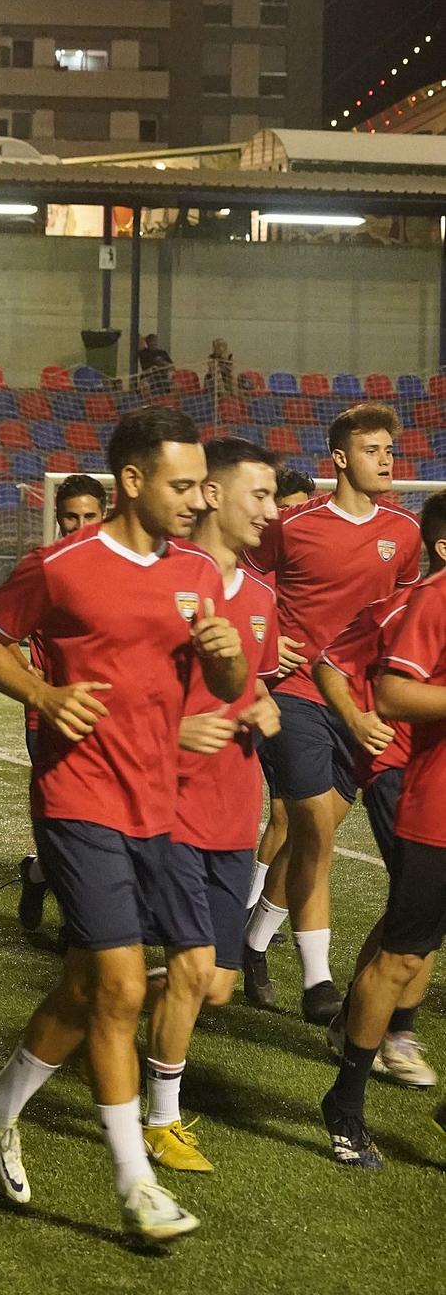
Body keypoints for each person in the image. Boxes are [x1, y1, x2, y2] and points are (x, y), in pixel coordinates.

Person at [0, 405, 246, 1245]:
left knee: (92, 987)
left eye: (201, 484)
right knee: (121, 987)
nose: (198, 498)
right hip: (77, 799)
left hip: (159, 806)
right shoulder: (64, 565)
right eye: (182, 483)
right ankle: (134, 1182)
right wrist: (43, 696)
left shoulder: (197, 570)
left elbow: (224, 684)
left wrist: (225, 653)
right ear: (132, 481)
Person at [241, 406, 418, 1021]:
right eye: (373, 449)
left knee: (313, 836)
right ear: (339, 458)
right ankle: (318, 983)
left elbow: (405, 614)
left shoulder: (406, 531)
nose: (388, 459)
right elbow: (238, 573)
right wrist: (263, 641)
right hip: (295, 691)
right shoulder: (294, 525)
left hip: (358, 701)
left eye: (390, 448)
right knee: (313, 822)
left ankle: (254, 940)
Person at [144, 439, 280, 1174]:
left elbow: (249, 681)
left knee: (215, 987)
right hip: (167, 810)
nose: (270, 510)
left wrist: (262, 704)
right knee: (194, 970)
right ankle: (159, 1119)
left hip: (234, 813)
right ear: (214, 496)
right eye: (258, 496)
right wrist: (170, 732)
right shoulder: (162, 579)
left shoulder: (260, 596)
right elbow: (124, 690)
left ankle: (104, 997)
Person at [313, 492, 446, 1091]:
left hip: (430, 772)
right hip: (401, 768)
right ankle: (391, 1035)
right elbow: (331, 662)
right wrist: (354, 715)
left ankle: (368, 1021)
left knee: (416, 911)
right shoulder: (404, 607)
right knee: (415, 911)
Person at [17, 473, 109, 935]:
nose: (80, 525)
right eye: (70, 517)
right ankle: (80, 933)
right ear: (57, 518)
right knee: (72, 826)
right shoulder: (43, 570)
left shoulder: (127, 570)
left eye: (89, 516)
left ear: (104, 515)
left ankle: (37, 874)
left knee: (102, 825)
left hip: (113, 718)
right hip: (50, 717)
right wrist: (27, 675)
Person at [245, 466, 316, 913]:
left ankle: (249, 904)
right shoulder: (253, 565)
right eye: (286, 510)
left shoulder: (303, 567)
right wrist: (269, 644)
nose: (291, 519)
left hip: (286, 697)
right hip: (256, 694)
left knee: (286, 811)